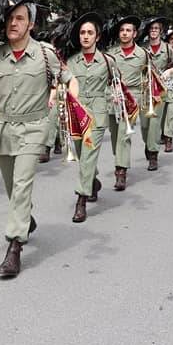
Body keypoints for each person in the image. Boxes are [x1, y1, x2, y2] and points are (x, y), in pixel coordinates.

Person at [0, 0, 77, 278]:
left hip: (34, 127)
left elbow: (70, 79)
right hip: (3, 129)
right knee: (12, 186)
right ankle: (26, 218)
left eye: (20, 18)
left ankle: (14, 246)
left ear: (31, 25)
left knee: (22, 183)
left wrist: (75, 106)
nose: (13, 23)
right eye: (10, 18)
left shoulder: (46, 54)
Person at [62, 12, 113, 223]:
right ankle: (93, 181)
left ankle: (81, 200)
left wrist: (113, 101)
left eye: (90, 33)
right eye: (82, 32)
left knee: (88, 156)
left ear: (97, 37)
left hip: (98, 115)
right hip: (77, 114)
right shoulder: (72, 62)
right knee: (83, 155)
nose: (85, 36)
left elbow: (115, 86)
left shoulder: (108, 61)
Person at [105, 15, 144, 190]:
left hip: (131, 97)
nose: (125, 33)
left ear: (134, 34)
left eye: (128, 30)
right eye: (122, 30)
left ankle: (121, 172)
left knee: (123, 135)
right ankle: (120, 159)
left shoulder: (143, 54)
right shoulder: (111, 54)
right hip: (113, 97)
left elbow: (149, 76)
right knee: (115, 135)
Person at [140, 16, 171, 170]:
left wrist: (168, 72)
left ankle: (153, 155)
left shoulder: (167, 48)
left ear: (161, 31)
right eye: (151, 29)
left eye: (156, 29)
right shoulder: (142, 48)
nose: (153, 31)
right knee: (145, 125)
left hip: (159, 90)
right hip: (144, 91)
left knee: (155, 123)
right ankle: (148, 143)